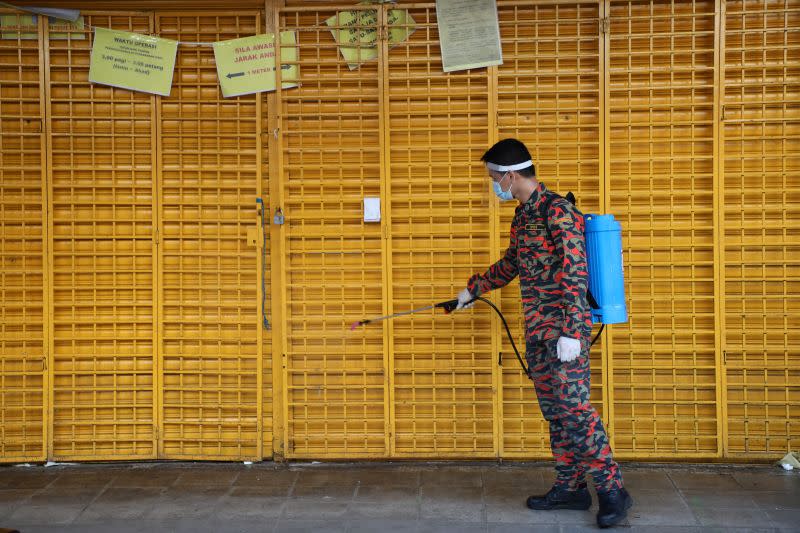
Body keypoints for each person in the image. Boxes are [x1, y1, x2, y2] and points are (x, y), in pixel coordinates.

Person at [454, 138, 633, 528]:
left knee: (576, 411)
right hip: (538, 333)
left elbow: (575, 270)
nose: (493, 186)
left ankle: (613, 490)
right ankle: (570, 487)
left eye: (493, 178)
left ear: (511, 175)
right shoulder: (522, 217)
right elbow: (511, 264)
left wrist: (572, 330)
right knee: (556, 415)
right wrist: (474, 289)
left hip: (565, 334)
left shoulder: (558, 212)